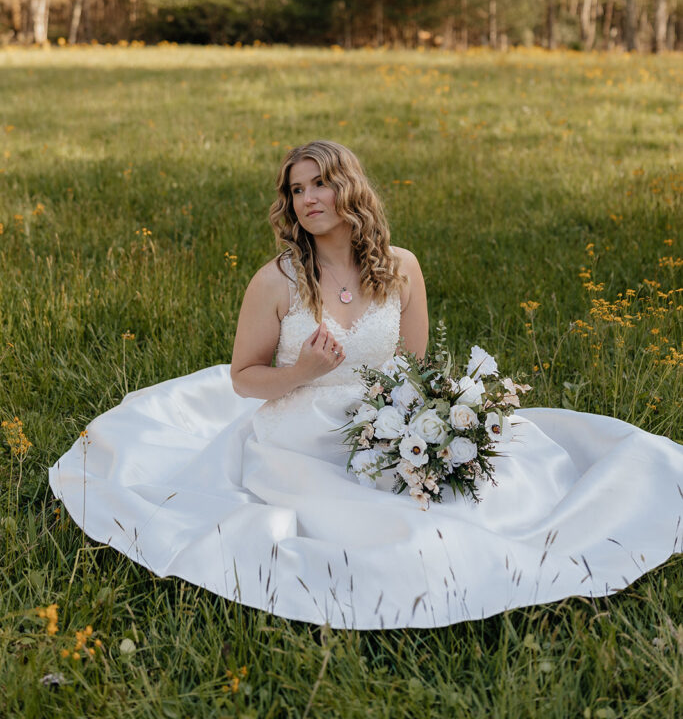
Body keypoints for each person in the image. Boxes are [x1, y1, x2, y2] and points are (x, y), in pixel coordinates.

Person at [49, 140, 682, 630]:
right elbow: (243, 379)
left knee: (492, 492)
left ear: (349, 187)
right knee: (364, 525)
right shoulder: (276, 281)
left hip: (384, 421)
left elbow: (413, 365)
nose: (307, 198)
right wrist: (304, 373)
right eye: (296, 189)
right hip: (297, 432)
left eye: (320, 183)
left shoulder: (401, 268)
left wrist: (417, 422)